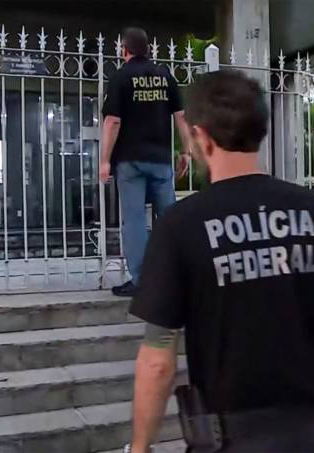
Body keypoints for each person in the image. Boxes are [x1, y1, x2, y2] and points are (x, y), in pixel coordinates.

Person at [125, 70, 314, 453]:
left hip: (229, 439)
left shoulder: (179, 227)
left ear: (201, 136)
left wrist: (140, 446)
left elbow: (157, 359)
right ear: (259, 130)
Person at [101, 27, 191, 297]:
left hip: (130, 162)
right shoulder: (165, 75)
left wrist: (104, 160)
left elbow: (112, 121)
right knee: (170, 219)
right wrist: (186, 152)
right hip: (161, 159)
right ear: (148, 49)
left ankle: (141, 280)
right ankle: (180, 276)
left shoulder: (120, 77)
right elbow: (181, 116)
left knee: (134, 220)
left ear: (125, 50)